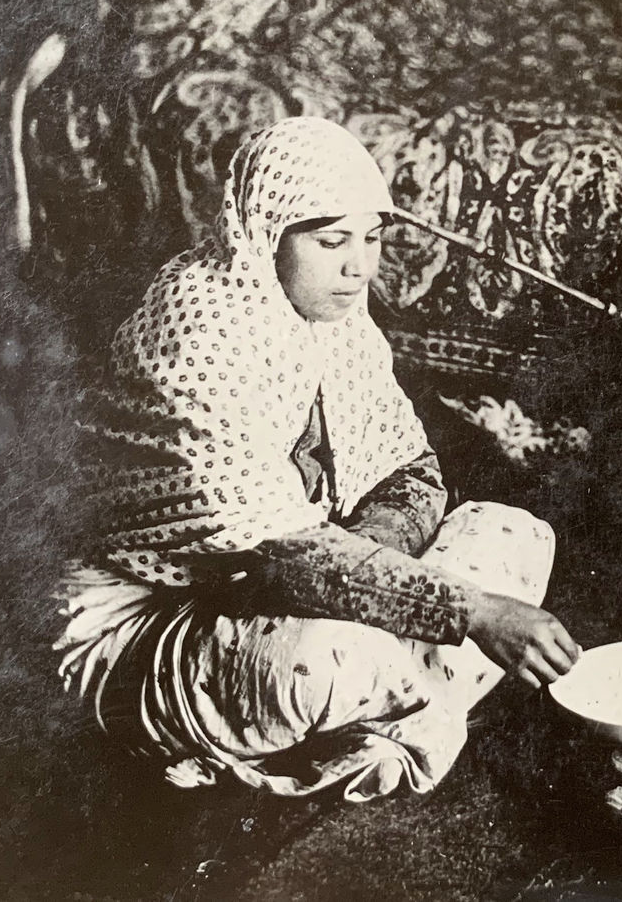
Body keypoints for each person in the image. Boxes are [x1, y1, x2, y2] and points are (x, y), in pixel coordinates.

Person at [54, 116, 578, 798]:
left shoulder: (339, 324)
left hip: (299, 588)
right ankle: (401, 724)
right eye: (332, 241)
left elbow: (412, 472)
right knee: (333, 654)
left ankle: (380, 714)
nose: (360, 266)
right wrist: (465, 611)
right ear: (266, 234)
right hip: (157, 623)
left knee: (517, 533)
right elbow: (278, 556)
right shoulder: (197, 330)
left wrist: (368, 572)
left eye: (372, 239)